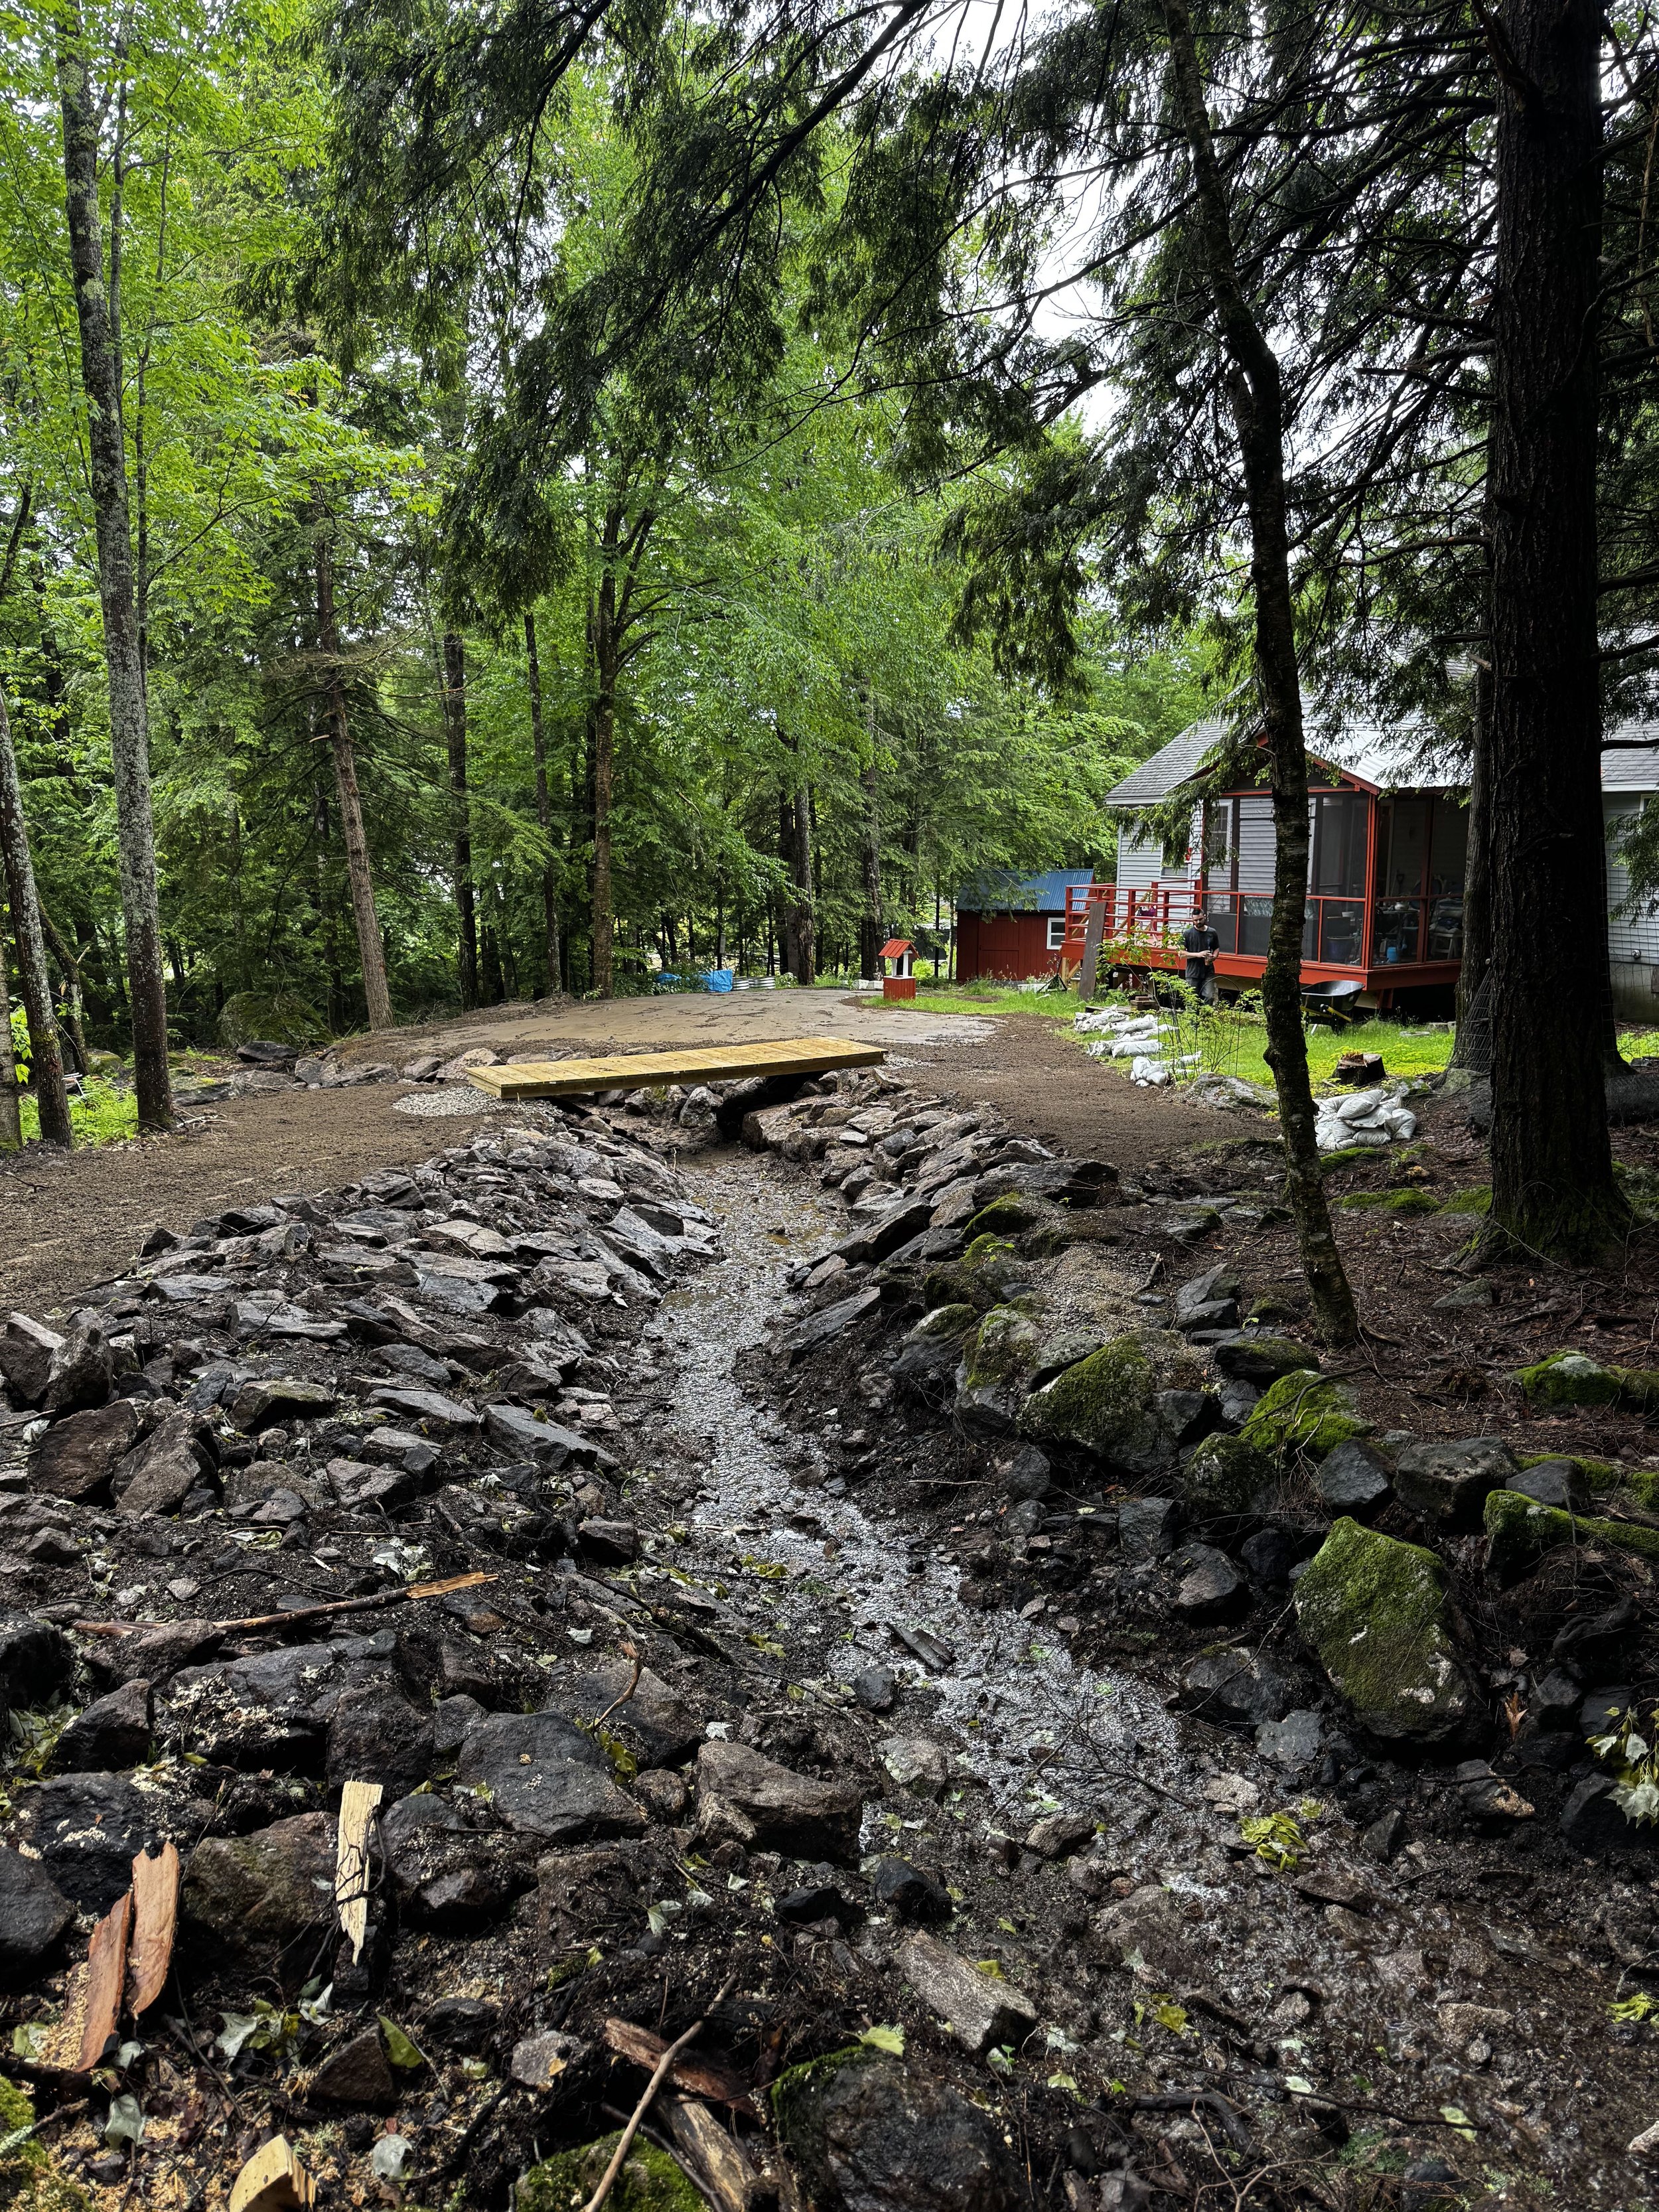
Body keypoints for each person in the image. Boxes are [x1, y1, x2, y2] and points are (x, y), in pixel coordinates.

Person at [1182, 916, 1220, 1003]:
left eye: (1200, 919)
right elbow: (1181, 953)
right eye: (1196, 920)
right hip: (1193, 972)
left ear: (1205, 917)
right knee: (1192, 1000)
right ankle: (1193, 1013)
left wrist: (1214, 957)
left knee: (1210, 997)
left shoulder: (1212, 932)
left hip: (1208, 971)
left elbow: (1216, 948)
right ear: (1192, 920)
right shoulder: (1187, 933)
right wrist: (1198, 955)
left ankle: (1205, 1012)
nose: (1198, 922)